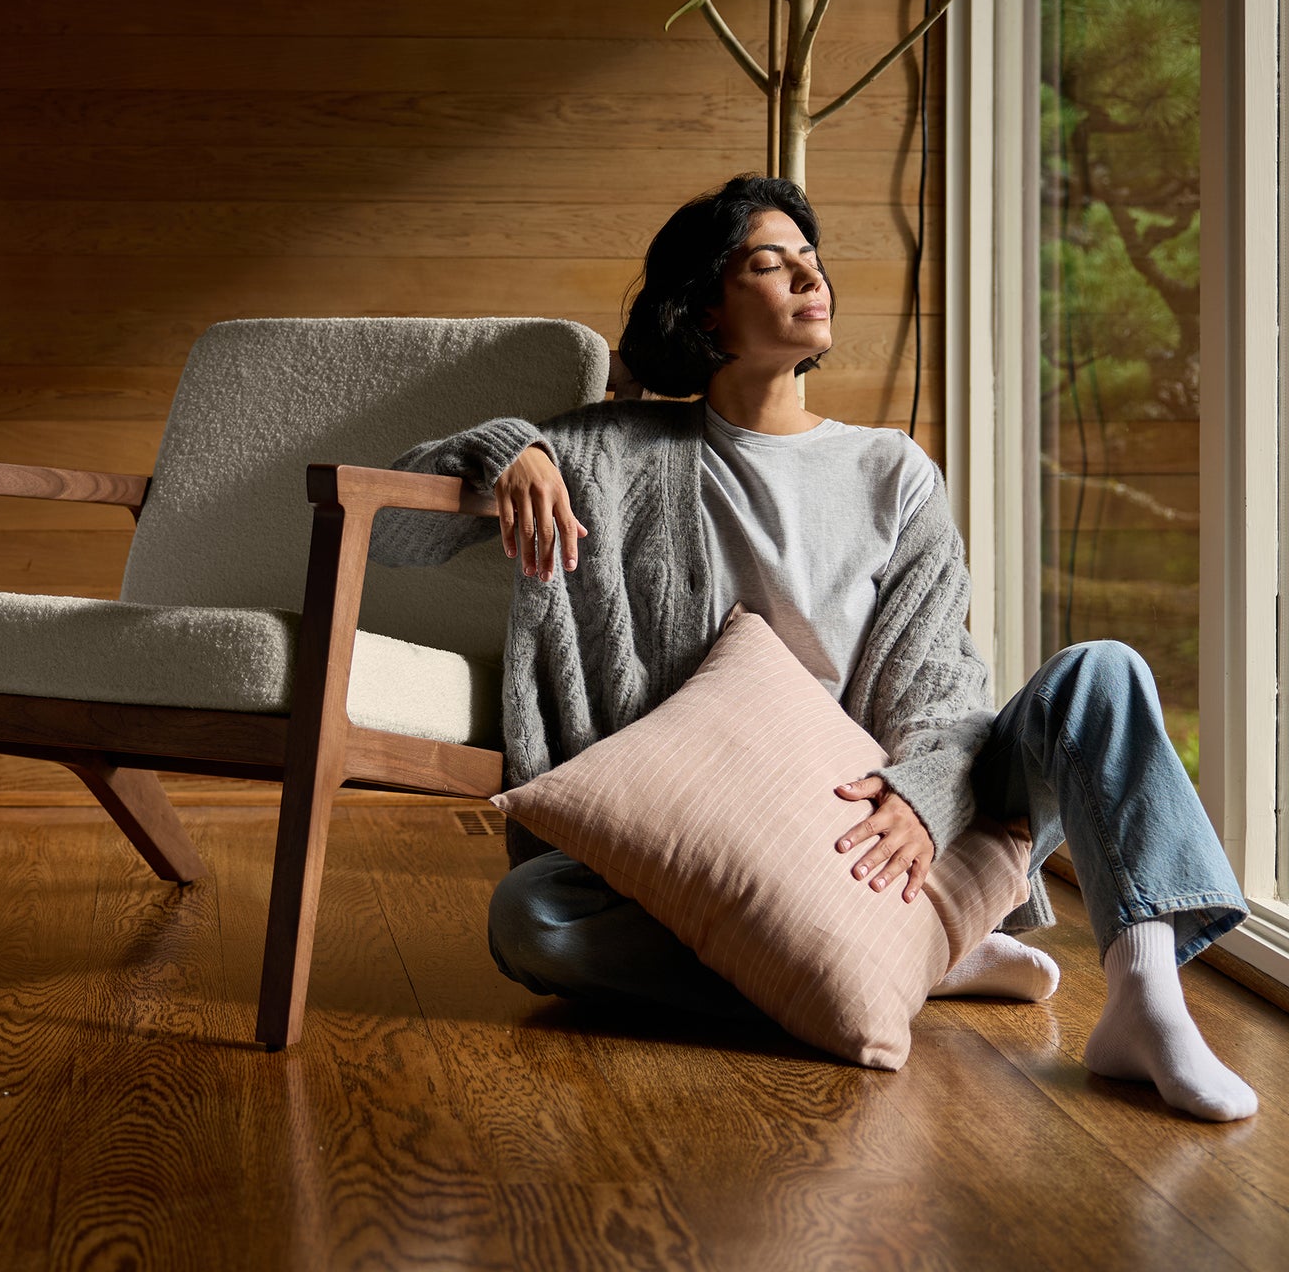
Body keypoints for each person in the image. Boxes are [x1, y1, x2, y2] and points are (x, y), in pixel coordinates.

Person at [368, 173, 1255, 1122]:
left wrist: (920, 795)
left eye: (812, 258)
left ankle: (1144, 1001)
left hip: (887, 827)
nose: (809, 274)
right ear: (706, 305)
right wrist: (508, 451)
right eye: (769, 260)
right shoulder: (609, 452)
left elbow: (943, 690)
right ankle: (911, 961)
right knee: (530, 917)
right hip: (729, 845)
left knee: (1103, 675)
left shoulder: (892, 470)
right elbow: (392, 534)